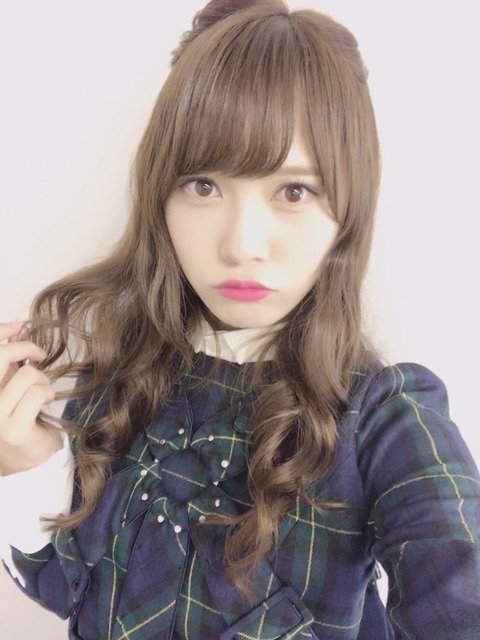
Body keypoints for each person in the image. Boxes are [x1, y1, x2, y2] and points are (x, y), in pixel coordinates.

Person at [0, 0, 479, 638]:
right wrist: (26, 458)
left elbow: (456, 586)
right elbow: (74, 593)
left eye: (294, 191)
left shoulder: (382, 417)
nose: (241, 244)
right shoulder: (125, 380)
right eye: (203, 186)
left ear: (348, 213)